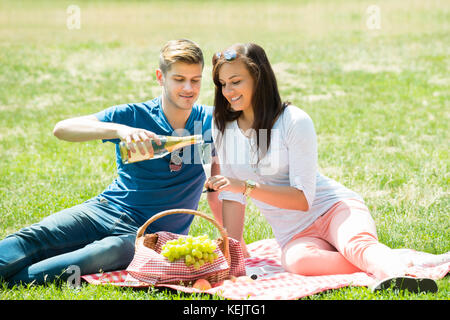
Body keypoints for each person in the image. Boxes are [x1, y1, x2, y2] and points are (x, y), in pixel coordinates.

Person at [204, 43, 449, 292]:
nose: (228, 91)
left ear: (259, 77)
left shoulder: (294, 120)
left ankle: (396, 277)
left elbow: (302, 199)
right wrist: (234, 260)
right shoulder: (223, 126)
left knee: (356, 244)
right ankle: (397, 260)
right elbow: (233, 197)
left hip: (332, 208)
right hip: (296, 235)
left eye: (235, 81)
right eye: (223, 84)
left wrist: (246, 187)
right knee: (297, 262)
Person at [0, 39, 220, 286]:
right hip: (105, 210)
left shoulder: (210, 122)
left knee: (92, 256)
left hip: (149, 237)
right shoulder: (133, 115)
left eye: (195, 80)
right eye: (179, 79)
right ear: (161, 77)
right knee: (38, 237)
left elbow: (256, 124)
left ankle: (9, 284)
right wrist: (119, 131)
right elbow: (62, 129)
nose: (188, 88)